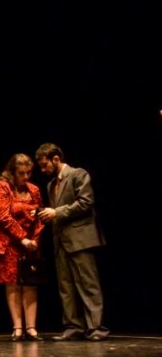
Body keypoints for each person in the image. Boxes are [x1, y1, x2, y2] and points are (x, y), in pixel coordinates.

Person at [35, 143, 109, 341]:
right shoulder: (51, 185)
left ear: (56, 159)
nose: (43, 170)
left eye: (45, 165)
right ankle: (73, 327)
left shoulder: (78, 174)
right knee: (66, 287)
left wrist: (56, 212)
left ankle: (96, 328)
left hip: (80, 239)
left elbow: (86, 202)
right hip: (61, 241)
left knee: (88, 285)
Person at [0, 153, 45, 341]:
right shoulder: (2, 187)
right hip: (8, 242)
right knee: (13, 283)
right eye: (21, 173)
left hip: (30, 244)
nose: (26, 177)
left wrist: (35, 239)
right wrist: (23, 239)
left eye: (29, 173)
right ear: (12, 172)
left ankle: (31, 328)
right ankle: (18, 327)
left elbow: (40, 216)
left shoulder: (34, 189)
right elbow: (3, 217)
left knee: (30, 281)